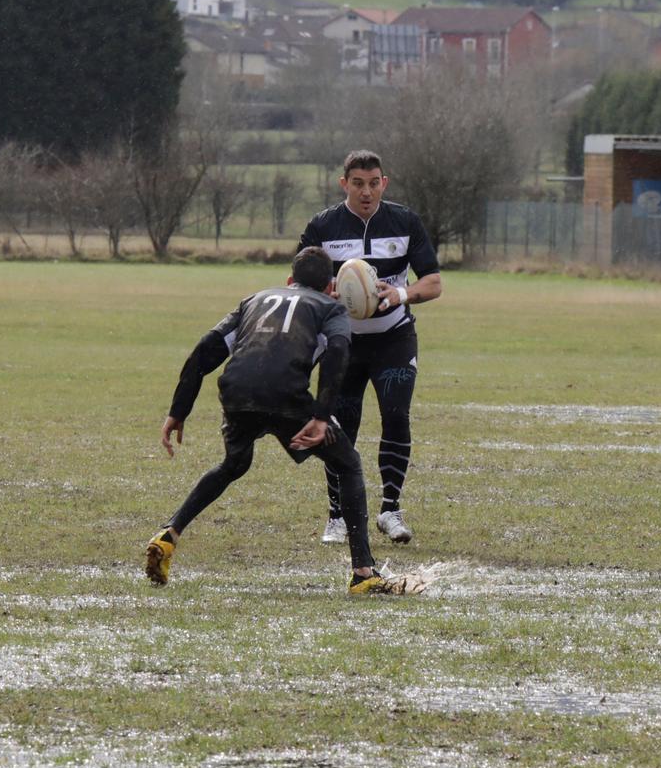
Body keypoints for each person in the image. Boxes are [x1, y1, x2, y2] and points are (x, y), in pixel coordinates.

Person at [150, 246, 414, 595]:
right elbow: (337, 354)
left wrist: (178, 411)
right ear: (330, 286)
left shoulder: (254, 300)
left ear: (290, 280)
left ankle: (169, 535)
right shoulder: (330, 306)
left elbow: (205, 349)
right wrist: (321, 417)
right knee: (348, 463)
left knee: (234, 464)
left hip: (237, 391)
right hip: (286, 393)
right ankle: (363, 572)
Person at [297, 149, 442, 547]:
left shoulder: (405, 221)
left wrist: (399, 294)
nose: (366, 191)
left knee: (396, 415)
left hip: (394, 339)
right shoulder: (323, 226)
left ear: (384, 183)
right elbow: (297, 283)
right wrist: (330, 291)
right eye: (358, 183)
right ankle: (337, 515)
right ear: (344, 184)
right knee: (341, 426)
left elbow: (433, 282)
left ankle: (390, 510)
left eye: (373, 183)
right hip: (342, 344)